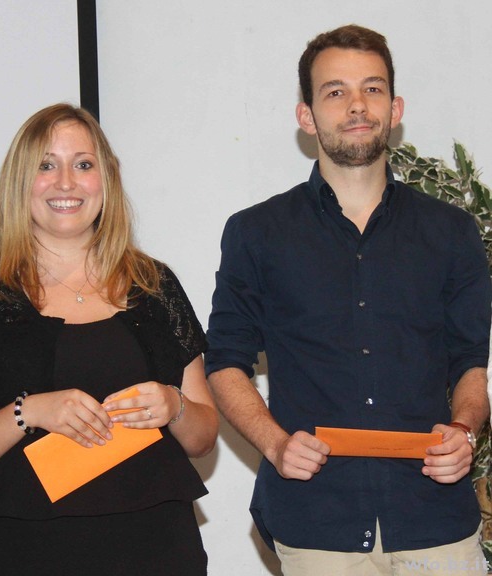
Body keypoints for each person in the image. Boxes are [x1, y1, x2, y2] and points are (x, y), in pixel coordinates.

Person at [206, 24, 491, 576]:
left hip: (435, 518)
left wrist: (463, 430)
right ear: (306, 115)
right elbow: (224, 362)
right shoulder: (256, 233)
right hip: (317, 523)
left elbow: (469, 363)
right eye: (335, 91)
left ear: (395, 108)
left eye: (373, 88)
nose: (357, 105)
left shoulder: (452, 232)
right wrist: (274, 444)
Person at [0, 103, 219, 575]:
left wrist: (175, 405)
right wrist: (28, 412)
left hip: (158, 550)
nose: (66, 182)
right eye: (46, 165)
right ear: (19, 181)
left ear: (106, 178)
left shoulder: (154, 285)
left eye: (83, 165)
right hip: (27, 555)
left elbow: (204, 437)